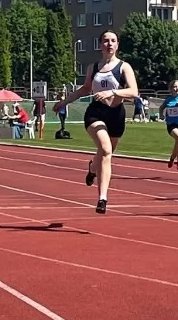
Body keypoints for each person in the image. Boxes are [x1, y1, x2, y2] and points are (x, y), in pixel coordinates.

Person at [53, 29, 139, 214]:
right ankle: (102, 198)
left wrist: (112, 92)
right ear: (100, 45)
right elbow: (85, 89)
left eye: (113, 41)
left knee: (105, 153)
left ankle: (92, 167)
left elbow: (133, 92)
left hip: (116, 114)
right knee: (106, 150)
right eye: (106, 41)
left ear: (117, 45)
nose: (109, 44)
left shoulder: (124, 67)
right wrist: (64, 102)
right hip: (96, 113)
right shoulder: (93, 68)